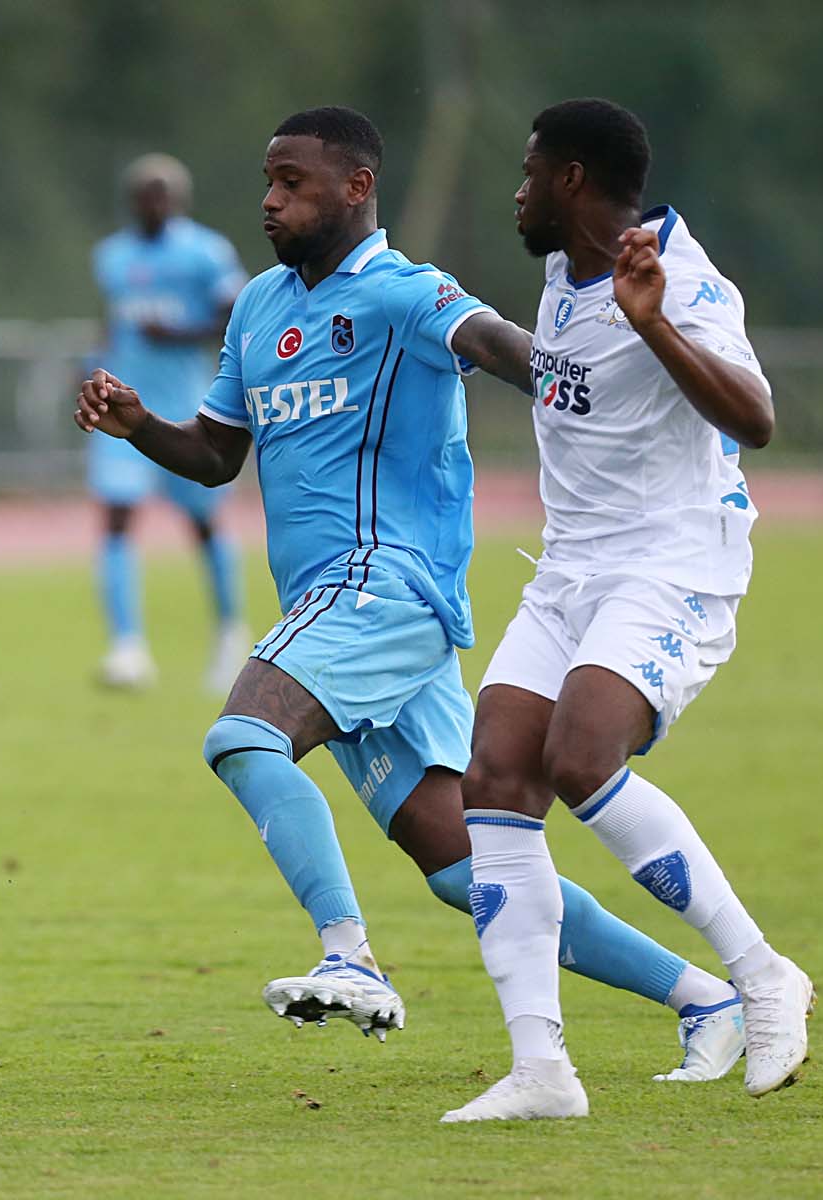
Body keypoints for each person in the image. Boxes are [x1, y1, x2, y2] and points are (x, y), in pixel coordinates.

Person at [77, 107, 743, 1074]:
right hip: (334, 607)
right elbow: (218, 456)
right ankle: (703, 998)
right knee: (468, 869)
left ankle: (350, 958)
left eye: (293, 182)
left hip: (385, 586)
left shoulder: (407, 292)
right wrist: (140, 422)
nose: (270, 199)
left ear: (356, 187)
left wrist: (630, 367)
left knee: (243, 735)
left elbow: (519, 355)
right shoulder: (260, 306)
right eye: (267, 180)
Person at [442, 98, 810, 1124]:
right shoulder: (562, 274)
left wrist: (652, 323)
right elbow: (567, 384)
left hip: (671, 563)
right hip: (570, 570)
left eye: (527, 172)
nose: (514, 191)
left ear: (569, 180)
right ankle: (541, 1071)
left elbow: (756, 418)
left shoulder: (677, 279)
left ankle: (763, 975)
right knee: (495, 774)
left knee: (581, 755)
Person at [89, 154, 249, 691]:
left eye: (161, 194)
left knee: (203, 524)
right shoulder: (111, 256)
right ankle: (127, 647)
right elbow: (111, 321)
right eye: (143, 194)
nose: (152, 203)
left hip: (187, 407)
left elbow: (234, 318)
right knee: (115, 518)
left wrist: (179, 333)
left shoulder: (207, 252)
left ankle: (230, 634)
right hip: (123, 410)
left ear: (178, 200)